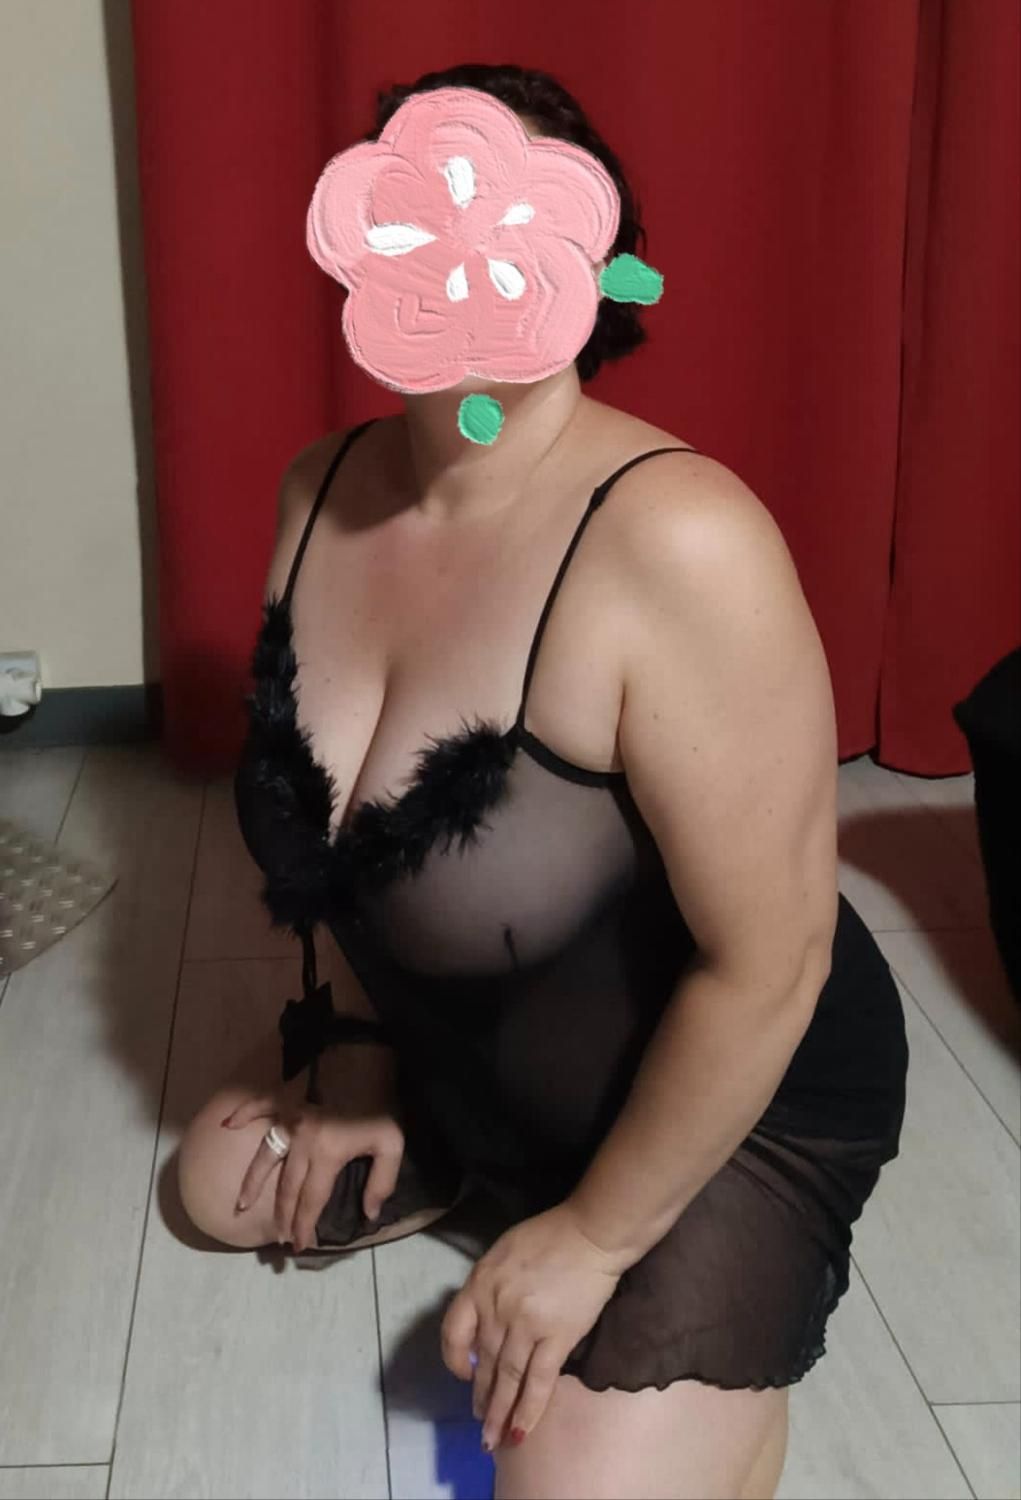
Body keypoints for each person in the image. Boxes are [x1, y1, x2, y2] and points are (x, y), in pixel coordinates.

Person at [176, 64, 909, 1500]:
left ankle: (661, 1294)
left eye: (509, 213)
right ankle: (469, 1151)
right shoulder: (317, 488)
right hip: (486, 1047)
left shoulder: (679, 537)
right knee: (217, 1178)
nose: (458, 252)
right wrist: (366, 1053)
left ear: (593, 260)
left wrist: (594, 1240)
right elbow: (335, 844)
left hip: (731, 1090)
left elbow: (773, 963)